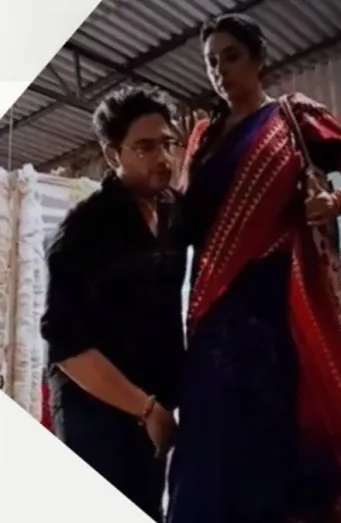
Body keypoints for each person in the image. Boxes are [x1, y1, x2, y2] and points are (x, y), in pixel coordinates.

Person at [166, 13, 341, 523]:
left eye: (231, 57)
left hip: (267, 304)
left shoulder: (290, 118)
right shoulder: (204, 137)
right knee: (207, 427)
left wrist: (337, 199)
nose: (220, 71)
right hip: (209, 307)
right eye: (212, 62)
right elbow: (188, 219)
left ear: (259, 59)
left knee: (265, 427)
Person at [41, 85, 186, 520]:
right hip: (97, 414)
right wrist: (146, 409)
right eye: (145, 147)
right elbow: (68, 349)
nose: (162, 157)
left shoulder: (173, 210)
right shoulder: (83, 231)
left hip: (154, 408)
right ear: (112, 154)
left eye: (168, 143)